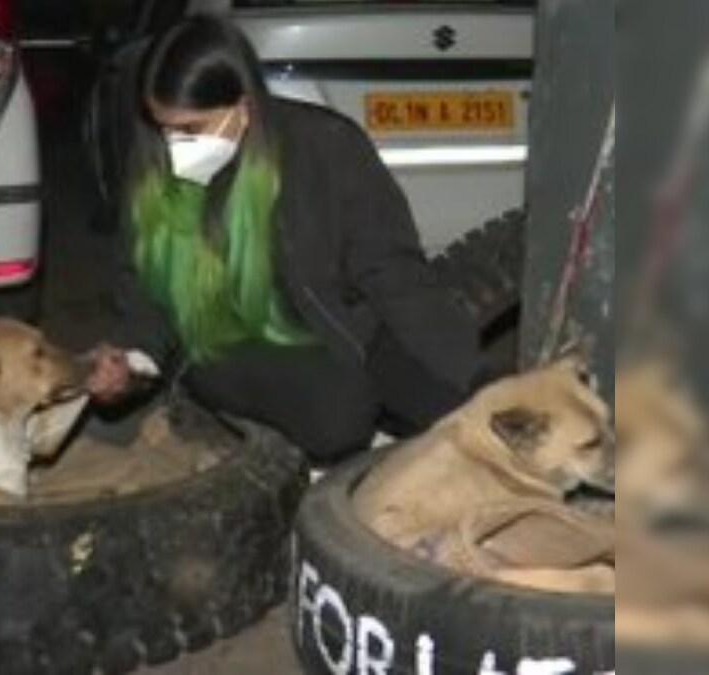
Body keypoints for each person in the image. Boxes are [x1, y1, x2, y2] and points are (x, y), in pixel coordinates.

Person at [86, 14, 481, 463]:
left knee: (453, 405)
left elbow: (394, 273)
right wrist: (130, 363)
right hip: (220, 340)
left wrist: (468, 380)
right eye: (164, 128)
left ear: (244, 107)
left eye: (192, 129)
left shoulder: (326, 147)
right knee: (337, 418)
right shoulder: (153, 168)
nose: (175, 146)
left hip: (328, 322)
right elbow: (142, 301)